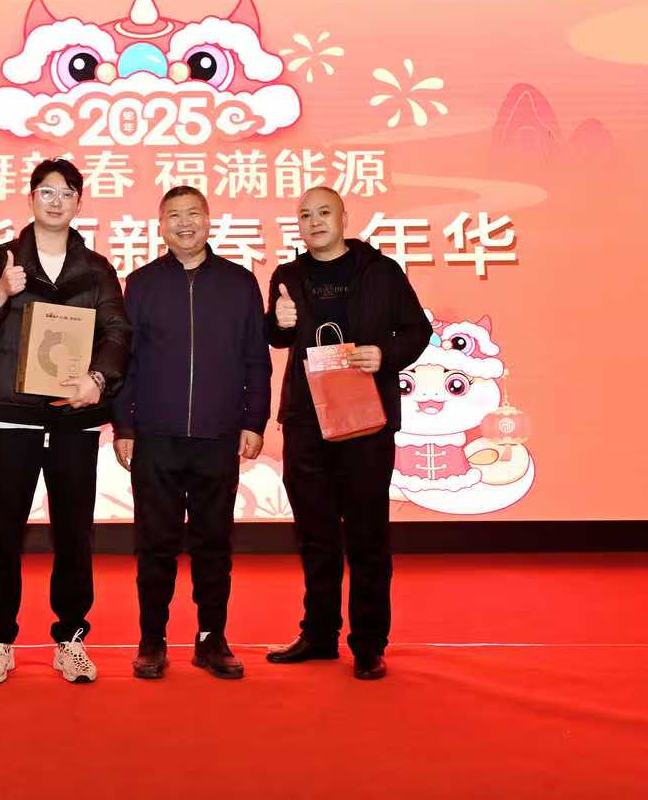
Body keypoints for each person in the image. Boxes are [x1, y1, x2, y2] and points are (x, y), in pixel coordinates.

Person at [0, 158, 131, 686]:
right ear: (31, 198)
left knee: (74, 531)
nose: (57, 202)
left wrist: (98, 380)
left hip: (75, 414)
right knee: (3, 531)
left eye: (67, 193)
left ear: (80, 201)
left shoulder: (96, 268)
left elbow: (117, 332)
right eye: (47, 192)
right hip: (10, 416)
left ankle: (71, 638)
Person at [264, 186, 433, 680]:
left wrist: (385, 354)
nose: (314, 221)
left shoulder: (381, 272)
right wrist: (277, 321)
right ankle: (319, 634)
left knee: (367, 536)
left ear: (343, 217)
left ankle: (368, 644)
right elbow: (274, 336)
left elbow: (417, 330)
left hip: (366, 419)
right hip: (306, 421)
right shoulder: (288, 275)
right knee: (315, 536)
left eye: (324, 212)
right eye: (305, 215)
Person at [114, 186, 272, 681]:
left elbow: (256, 359)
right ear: (161, 226)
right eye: (174, 216)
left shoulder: (239, 282)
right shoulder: (141, 284)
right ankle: (152, 639)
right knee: (154, 544)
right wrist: (123, 424)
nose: (185, 223)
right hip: (155, 435)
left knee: (213, 543)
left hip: (218, 434)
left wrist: (254, 420)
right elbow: (124, 360)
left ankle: (211, 639)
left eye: (193, 214)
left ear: (208, 220)